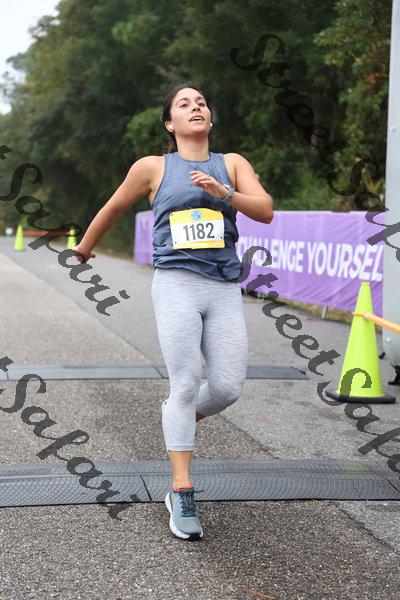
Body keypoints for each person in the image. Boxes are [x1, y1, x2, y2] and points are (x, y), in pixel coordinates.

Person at [72, 81, 273, 542]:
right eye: (184, 104)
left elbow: (265, 210)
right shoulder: (154, 167)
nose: (195, 106)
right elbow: (114, 206)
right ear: (170, 123)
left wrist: (225, 193)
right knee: (185, 383)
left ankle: (175, 418)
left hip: (223, 286)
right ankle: (181, 490)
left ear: (210, 118)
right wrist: (83, 248)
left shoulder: (232, 164)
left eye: (201, 102)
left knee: (227, 388)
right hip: (177, 283)